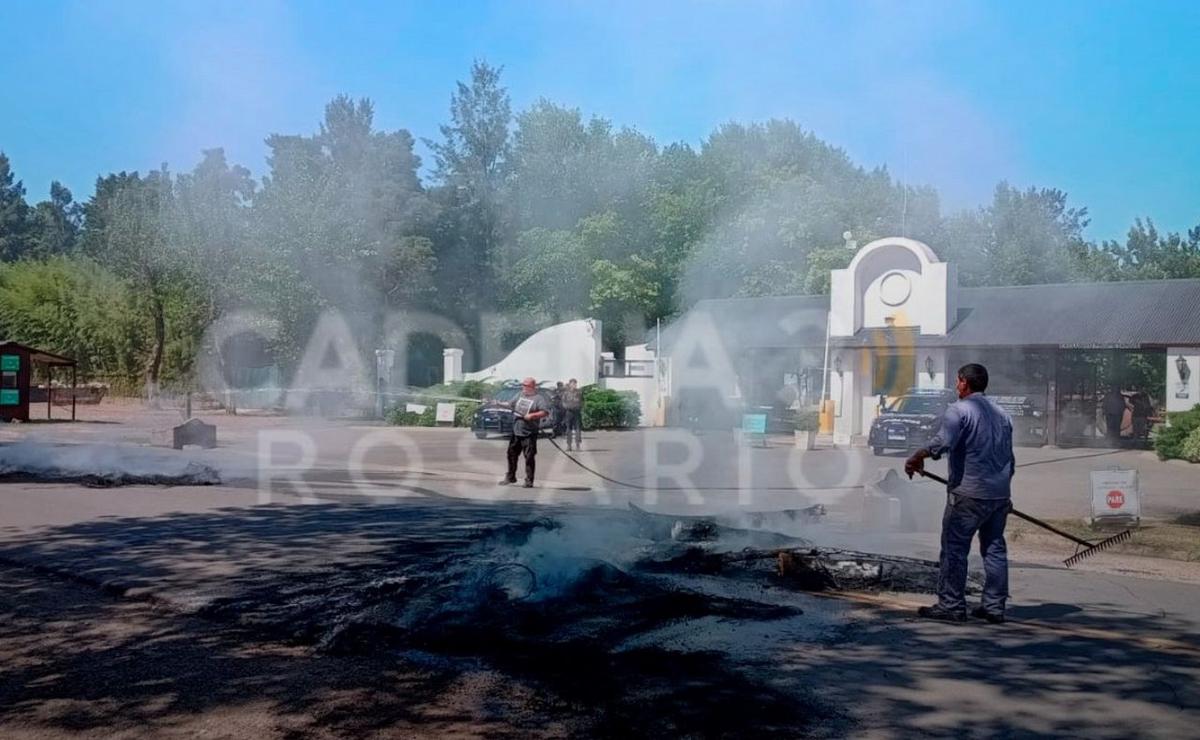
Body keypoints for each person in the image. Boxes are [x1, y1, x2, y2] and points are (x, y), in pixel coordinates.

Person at [905, 363, 1015, 624]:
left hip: (968, 495)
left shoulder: (959, 410)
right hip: (998, 496)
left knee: (954, 549)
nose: (956, 385)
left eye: (958, 381)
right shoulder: (1002, 414)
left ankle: (952, 605)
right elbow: (1009, 458)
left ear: (964, 382)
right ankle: (994, 607)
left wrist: (916, 456)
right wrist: (1005, 494)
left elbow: (942, 443)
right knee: (995, 549)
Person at [499, 377, 550, 488]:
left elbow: (545, 412)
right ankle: (511, 476)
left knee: (529, 457)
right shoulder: (519, 395)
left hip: (529, 433)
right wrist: (499, 403)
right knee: (511, 454)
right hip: (517, 431)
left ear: (532, 387)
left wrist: (532, 415)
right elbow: (510, 404)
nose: (524, 387)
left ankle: (529, 480)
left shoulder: (538, 398)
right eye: (523, 385)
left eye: (526, 385)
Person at [561, 378, 583, 451]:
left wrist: (578, 407)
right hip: (569, 412)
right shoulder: (566, 393)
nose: (574, 385)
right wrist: (567, 407)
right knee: (569, 429)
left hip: (577, 412)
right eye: (572, 383)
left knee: (577, 429)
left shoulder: (579, 392)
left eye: (575, 383)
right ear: (569, 384)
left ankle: (578, 445)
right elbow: (563, 402)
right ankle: (569, 445)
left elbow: (582, 402)